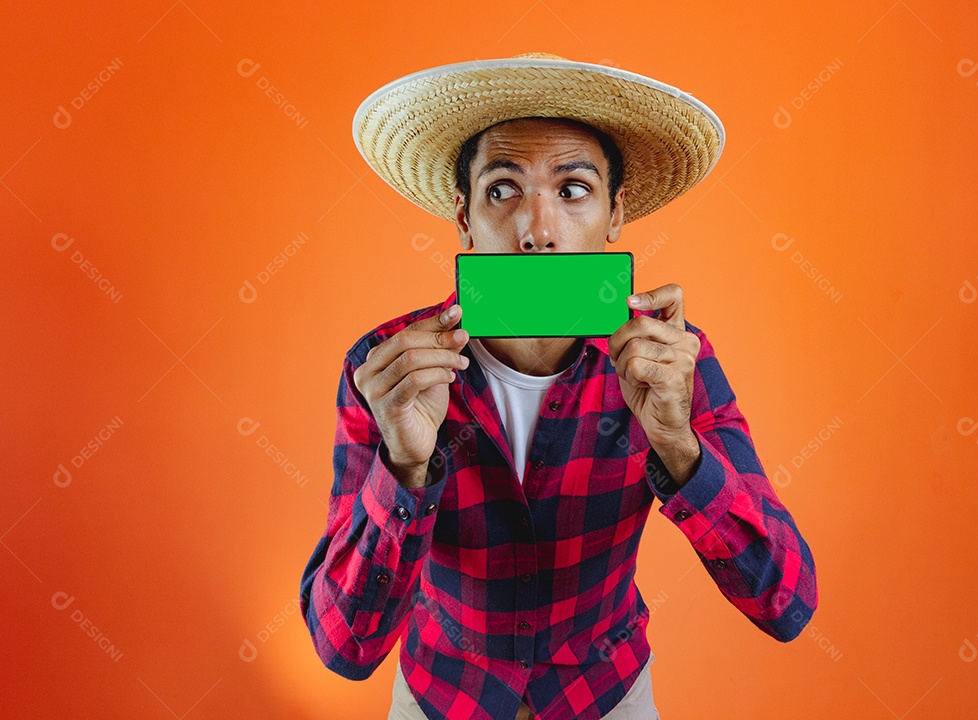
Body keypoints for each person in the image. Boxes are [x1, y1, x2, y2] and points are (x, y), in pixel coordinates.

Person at [299, 52, 818, 720]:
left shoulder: (671, 362)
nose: (537, 231)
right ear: (464, 216)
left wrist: (678, 445)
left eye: (572, 190)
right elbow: (344, 646)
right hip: (442, 697)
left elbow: (785, 602)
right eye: (502, 190)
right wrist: (402, 465)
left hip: (605, 694)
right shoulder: (385, 370)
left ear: (614, 215)